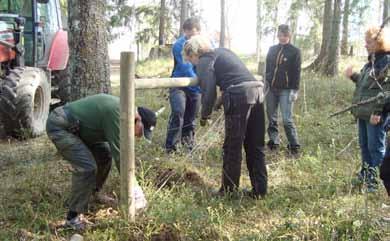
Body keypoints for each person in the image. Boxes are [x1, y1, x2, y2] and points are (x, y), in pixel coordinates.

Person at [46, 94, 157, 230]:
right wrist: (136, 191)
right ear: (138, 119)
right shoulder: (119, 115)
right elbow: (121, 157)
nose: (139, 136)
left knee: (105, 155)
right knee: (87, 168)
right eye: (141, 131)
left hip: (79, 129)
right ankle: (72, 218)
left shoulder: (125, 113)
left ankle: (93, 193)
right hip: (61, 125)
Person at [183, 35, 267, 198]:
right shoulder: (223, 52)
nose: (192, 64)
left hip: (239, 96)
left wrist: (204, 115)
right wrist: (217, 104)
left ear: (194, 53)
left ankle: (228, 191)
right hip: (257, 92)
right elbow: (233, 79)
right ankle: (260, 190)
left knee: (232, 147)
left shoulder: (204, 61)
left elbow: (208, 92)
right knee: (255, 145)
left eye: (190, 59)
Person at [345, 26, 390, 192]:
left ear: (379, 42)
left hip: (375, 114)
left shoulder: (386, 61)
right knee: (364, 145)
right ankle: (366, 173)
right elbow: (367, 86)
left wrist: (378, 112)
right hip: (364, 112)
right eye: (365, 42)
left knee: (375, 147)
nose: (366, 45)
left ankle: (376, 181)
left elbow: (386, 90)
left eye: (369, 42)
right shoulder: (371, 61)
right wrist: (352, 76)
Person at [165, 17, 201, 153]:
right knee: (178, 113)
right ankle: (171, 148)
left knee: (191, 118)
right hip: (179, 84)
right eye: (188, 33)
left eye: (194, 33)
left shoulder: (202, 44)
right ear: (184, 31)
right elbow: (185, 66)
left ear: (198, 32)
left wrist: (201, 84)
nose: (191, 36)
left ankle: (188, 147)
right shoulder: (179, 45)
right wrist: (199, 82)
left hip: (196, 87)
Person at [265, 24, 301, 155]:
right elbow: (268, 68)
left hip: (286, 90)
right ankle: (273, 142)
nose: (282, 38)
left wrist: (295, 90)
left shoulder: (295, 51)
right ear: (277, 35)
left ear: (289, 36)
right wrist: (266, 82)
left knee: (286, 119)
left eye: (285, 35)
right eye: (280, 35)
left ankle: (294, 145)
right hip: (271, 89)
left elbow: (297, 72)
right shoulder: (272, 49)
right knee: (271, 117)